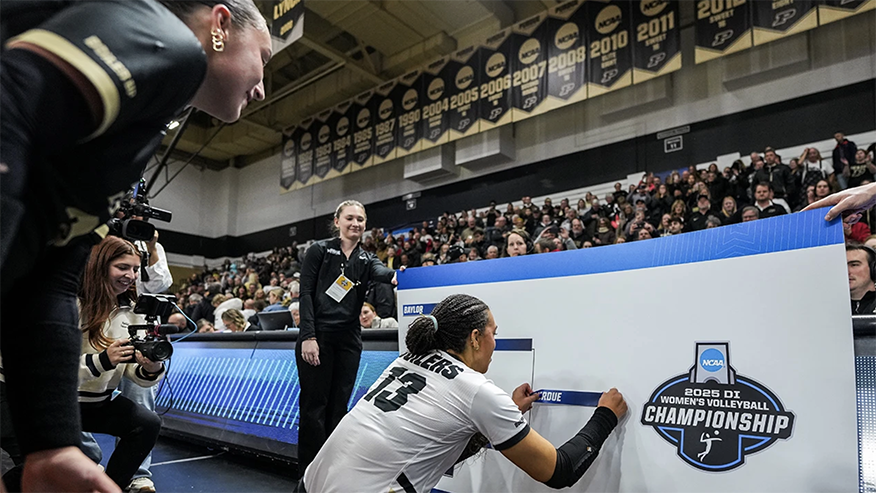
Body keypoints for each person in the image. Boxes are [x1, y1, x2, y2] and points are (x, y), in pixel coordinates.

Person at [0, 1, 270, 489]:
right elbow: (9, 95)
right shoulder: (168, 40)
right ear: (221, 24)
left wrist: (53, 442)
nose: (262, 86)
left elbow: (51, 281)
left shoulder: (136, 129)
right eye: (264, 57)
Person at [296, 294, 627, 493]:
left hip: (311, 482)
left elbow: (437, 441)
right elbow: (560, 470)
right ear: (473, 337)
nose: (496, 342)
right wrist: (605, 415)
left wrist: (506, 413)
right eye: (493, 333)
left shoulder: (408, 360)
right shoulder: (477, 390)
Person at [296, 200, 400, 474]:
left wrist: (400, 276)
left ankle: (332, 471)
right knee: (314, 407)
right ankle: (308, 473)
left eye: (360, 220)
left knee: (339, 406)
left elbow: (383, 274)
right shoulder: (319, 250)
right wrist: (308, 335)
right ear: (338, 220)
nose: (356, 223)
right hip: (318, 337)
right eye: (350, 218)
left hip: (349, 340)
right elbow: (305, 293)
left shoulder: (367, 259)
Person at [77, 237, 165, 490]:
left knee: (147, 424)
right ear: (101, 266)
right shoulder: (72, 302)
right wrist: (103, 360)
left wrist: (150, 368)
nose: (131, 275)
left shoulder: (134, 309)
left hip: (99, 402)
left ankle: (112, 486)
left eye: (136, 269)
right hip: (62, 402)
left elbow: (132, 372)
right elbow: (51, 368)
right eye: (123, 267)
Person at [848, 244, 876, 314]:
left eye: (854, 265)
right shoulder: (828, 306)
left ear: (873, 269)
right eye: (842, 265)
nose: (847, 271)